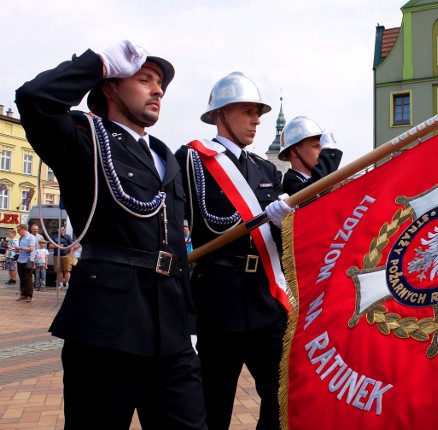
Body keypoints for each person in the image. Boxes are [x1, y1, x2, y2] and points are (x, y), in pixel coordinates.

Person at [15, 40, 207, 429]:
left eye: (161, 85)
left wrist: (189, 325)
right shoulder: (85, 139)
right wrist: (97, 62)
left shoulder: (165, 156)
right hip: (107, 328)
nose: (158, 90)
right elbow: (34, 98)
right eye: (144, 79)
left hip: (170, 331)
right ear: (110, 86)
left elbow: (174, 250)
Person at [175, 71, 293, 429]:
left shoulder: (264, 167)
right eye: (247, 111)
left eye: (258, 113)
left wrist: (280, 222)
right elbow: (197, 221)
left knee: (282, 392)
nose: (257, 120)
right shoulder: (193, 159)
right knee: (214, 400)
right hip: (218, 296)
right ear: (221, 114)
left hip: (263, 296)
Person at [278, 116, 343, 196]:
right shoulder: (289, 182)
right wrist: (329, 153)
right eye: (316, 146)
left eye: (322, 146)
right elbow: (314, 188)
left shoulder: (314, 178)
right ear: (295, 151)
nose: (322, 151)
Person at [15, 224, 36, 303]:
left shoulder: (31, 237)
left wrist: (20, 248)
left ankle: (29, 295)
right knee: (22, 278)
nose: (18, 232)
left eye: (19, 230)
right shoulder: (21, 238)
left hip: (28, 260)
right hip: (20, 260)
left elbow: (31, 249)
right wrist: (14, 249)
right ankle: (23, 294)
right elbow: (20, 250)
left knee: (28, 278)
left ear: (23, 229)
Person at [49, 226, 72, 290]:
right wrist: (57, 246)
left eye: (63, 229)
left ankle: (67, 284)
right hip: (57, 256)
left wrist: (70, 254)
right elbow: (50, 246)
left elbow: (71, 245)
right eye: (61, 229)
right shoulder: (54, 237)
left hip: (66, 256)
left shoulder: (67, 237)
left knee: (67, 271)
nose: (62, 230)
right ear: (58, 229)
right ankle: (60, 285)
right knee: (59, 271)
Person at [30, 223, 46, 290]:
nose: (36, 230)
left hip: (39, 257)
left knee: (38, 273)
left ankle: (38, 286)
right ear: (31, 229)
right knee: (31, 272)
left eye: (37, 229)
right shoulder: (29, 236)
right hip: (31, 256)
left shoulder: (40, 237)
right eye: (34, 229)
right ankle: (32, 285)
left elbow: (42, 247)